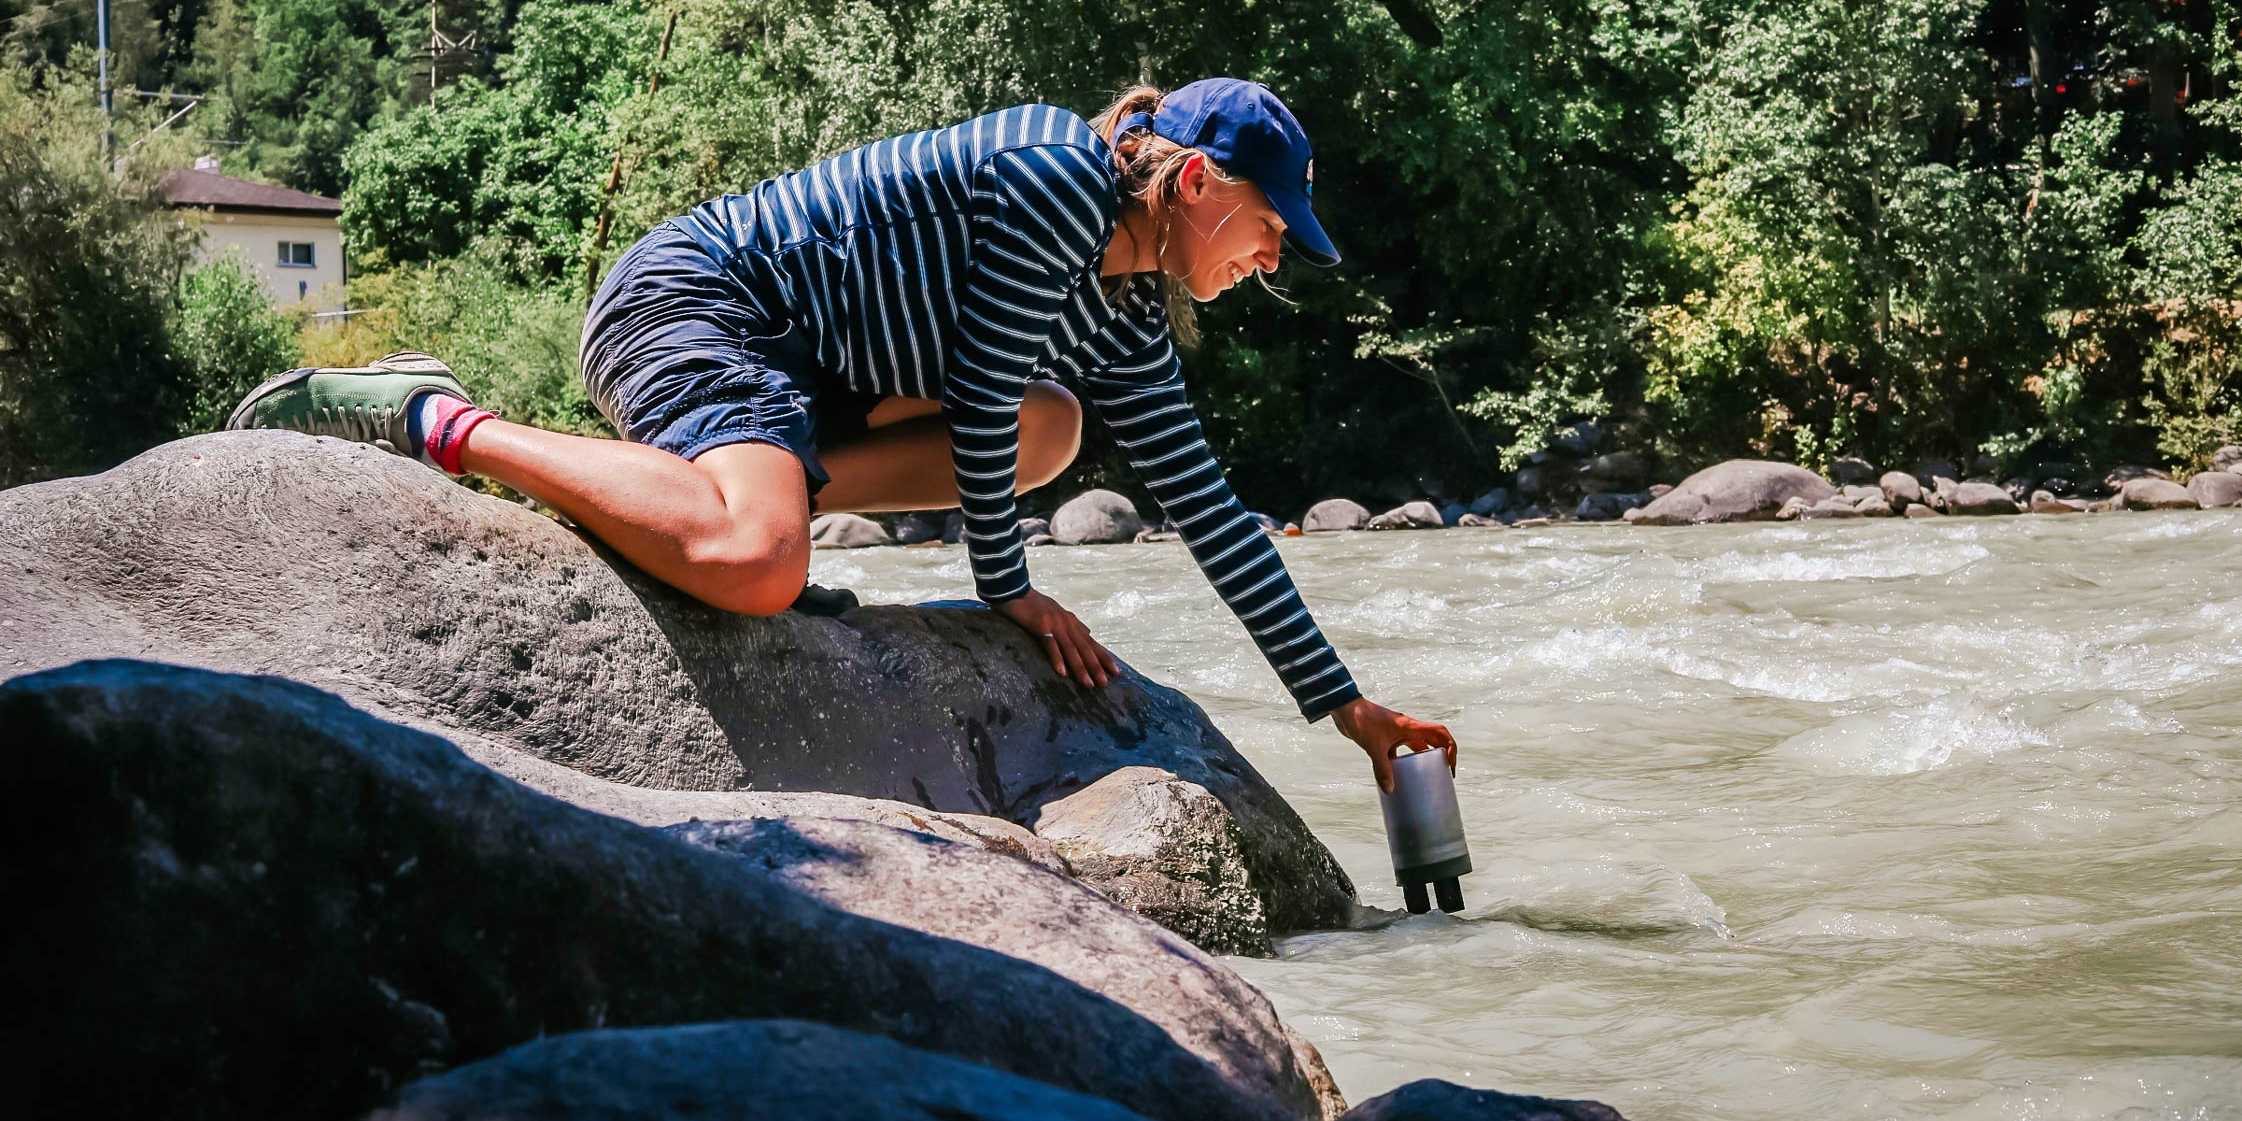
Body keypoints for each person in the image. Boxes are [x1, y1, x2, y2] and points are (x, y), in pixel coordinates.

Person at [227, 78, 1456, 792]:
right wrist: (1007, 591)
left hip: (809, 379)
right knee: (762, 568)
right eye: (1268, 221)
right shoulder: (1052, 178)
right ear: (1193, 183)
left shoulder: (1127, 308)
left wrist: (1344, 708)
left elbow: (1206, 506)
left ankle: (719, 503)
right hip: (698, 303)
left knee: (1054, 429)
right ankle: (428, 414)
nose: (1275, 250)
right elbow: (973, 386)